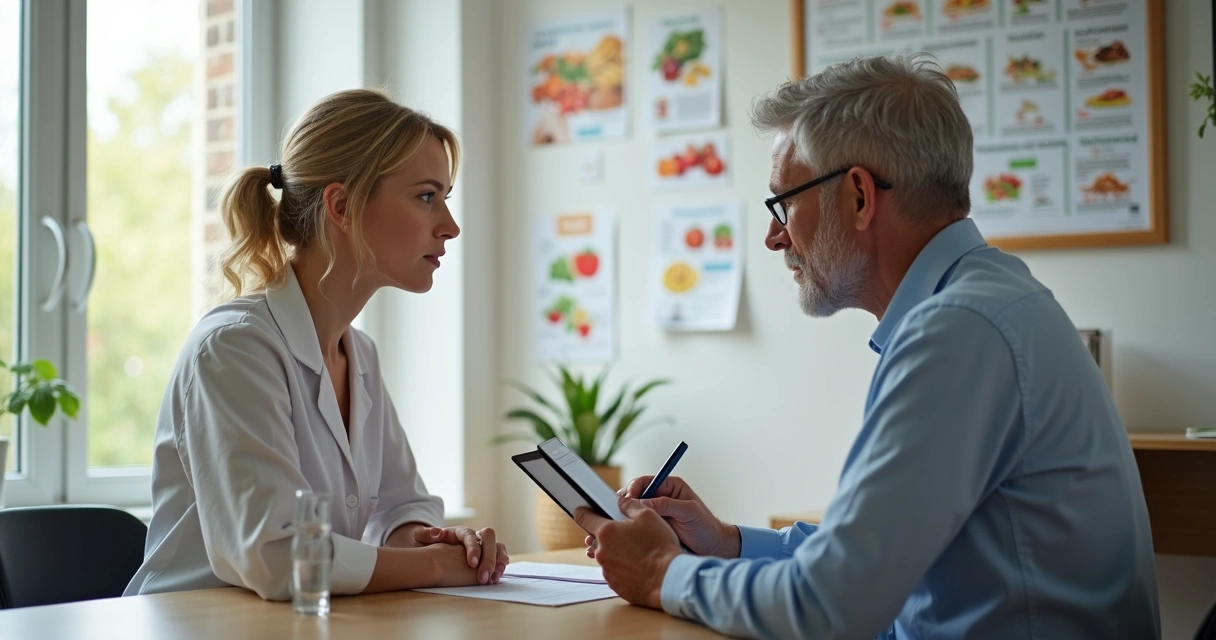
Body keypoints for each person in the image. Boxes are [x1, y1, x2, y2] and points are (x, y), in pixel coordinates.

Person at [575, 54, 1160, 639]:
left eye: (784, 202)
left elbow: (829, 609)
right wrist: (727, 544)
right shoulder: (988, 300)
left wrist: (659, 571)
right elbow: (862, 565)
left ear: (858, 195)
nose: (774, 236)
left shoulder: (958, 329)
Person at [125, 89, 508, 600]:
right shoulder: (233, 349)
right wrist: (434, 568)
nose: (450, 226)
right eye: (426, 197)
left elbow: (398, 505)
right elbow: (278, 557)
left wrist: (432, 542)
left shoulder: (360, 355)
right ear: (343, 206)